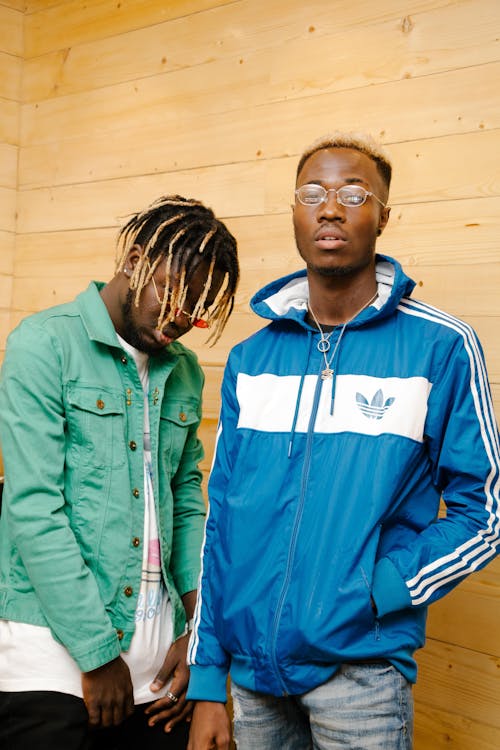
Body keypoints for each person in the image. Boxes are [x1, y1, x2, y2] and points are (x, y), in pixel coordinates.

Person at [185, 133, 500, 750]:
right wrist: (206, 679)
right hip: (251, 682)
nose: (330, 207)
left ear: (384, 214)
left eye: (354, 193)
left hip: (362, 679)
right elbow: (220, 523)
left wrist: (379, 590)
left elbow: (485, 510)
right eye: (313, 193)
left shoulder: (441, 347)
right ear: (296, 213)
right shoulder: (251, 360)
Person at [0, 194, 239, 750]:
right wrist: (97, 653)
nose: (178, 321)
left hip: (157, 673)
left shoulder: (183, 372)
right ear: (134, 259)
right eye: (173, 296)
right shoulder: (44, 344)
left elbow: (184, 498)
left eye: (195, 311)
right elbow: (34, 506)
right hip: (52, 665)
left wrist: (196, 634)